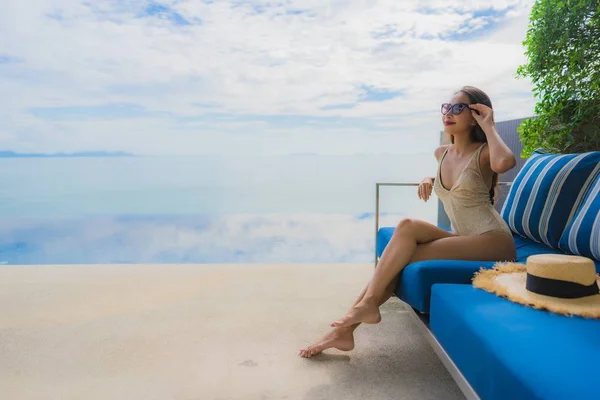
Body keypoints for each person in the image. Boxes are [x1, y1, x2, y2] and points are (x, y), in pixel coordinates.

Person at [299, 86, 517, 358]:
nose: (449, 113)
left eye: (459, 108)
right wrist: (430, 179)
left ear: (475, 116)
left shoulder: (484, 151)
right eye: (446, 107)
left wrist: (490, 126)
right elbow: (455, 183)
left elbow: (505, 162)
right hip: (462, 236)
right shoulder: (442, 153)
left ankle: (349, 323)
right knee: (407, 226)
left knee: (402, 258)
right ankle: (352, 323)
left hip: (493, 241)